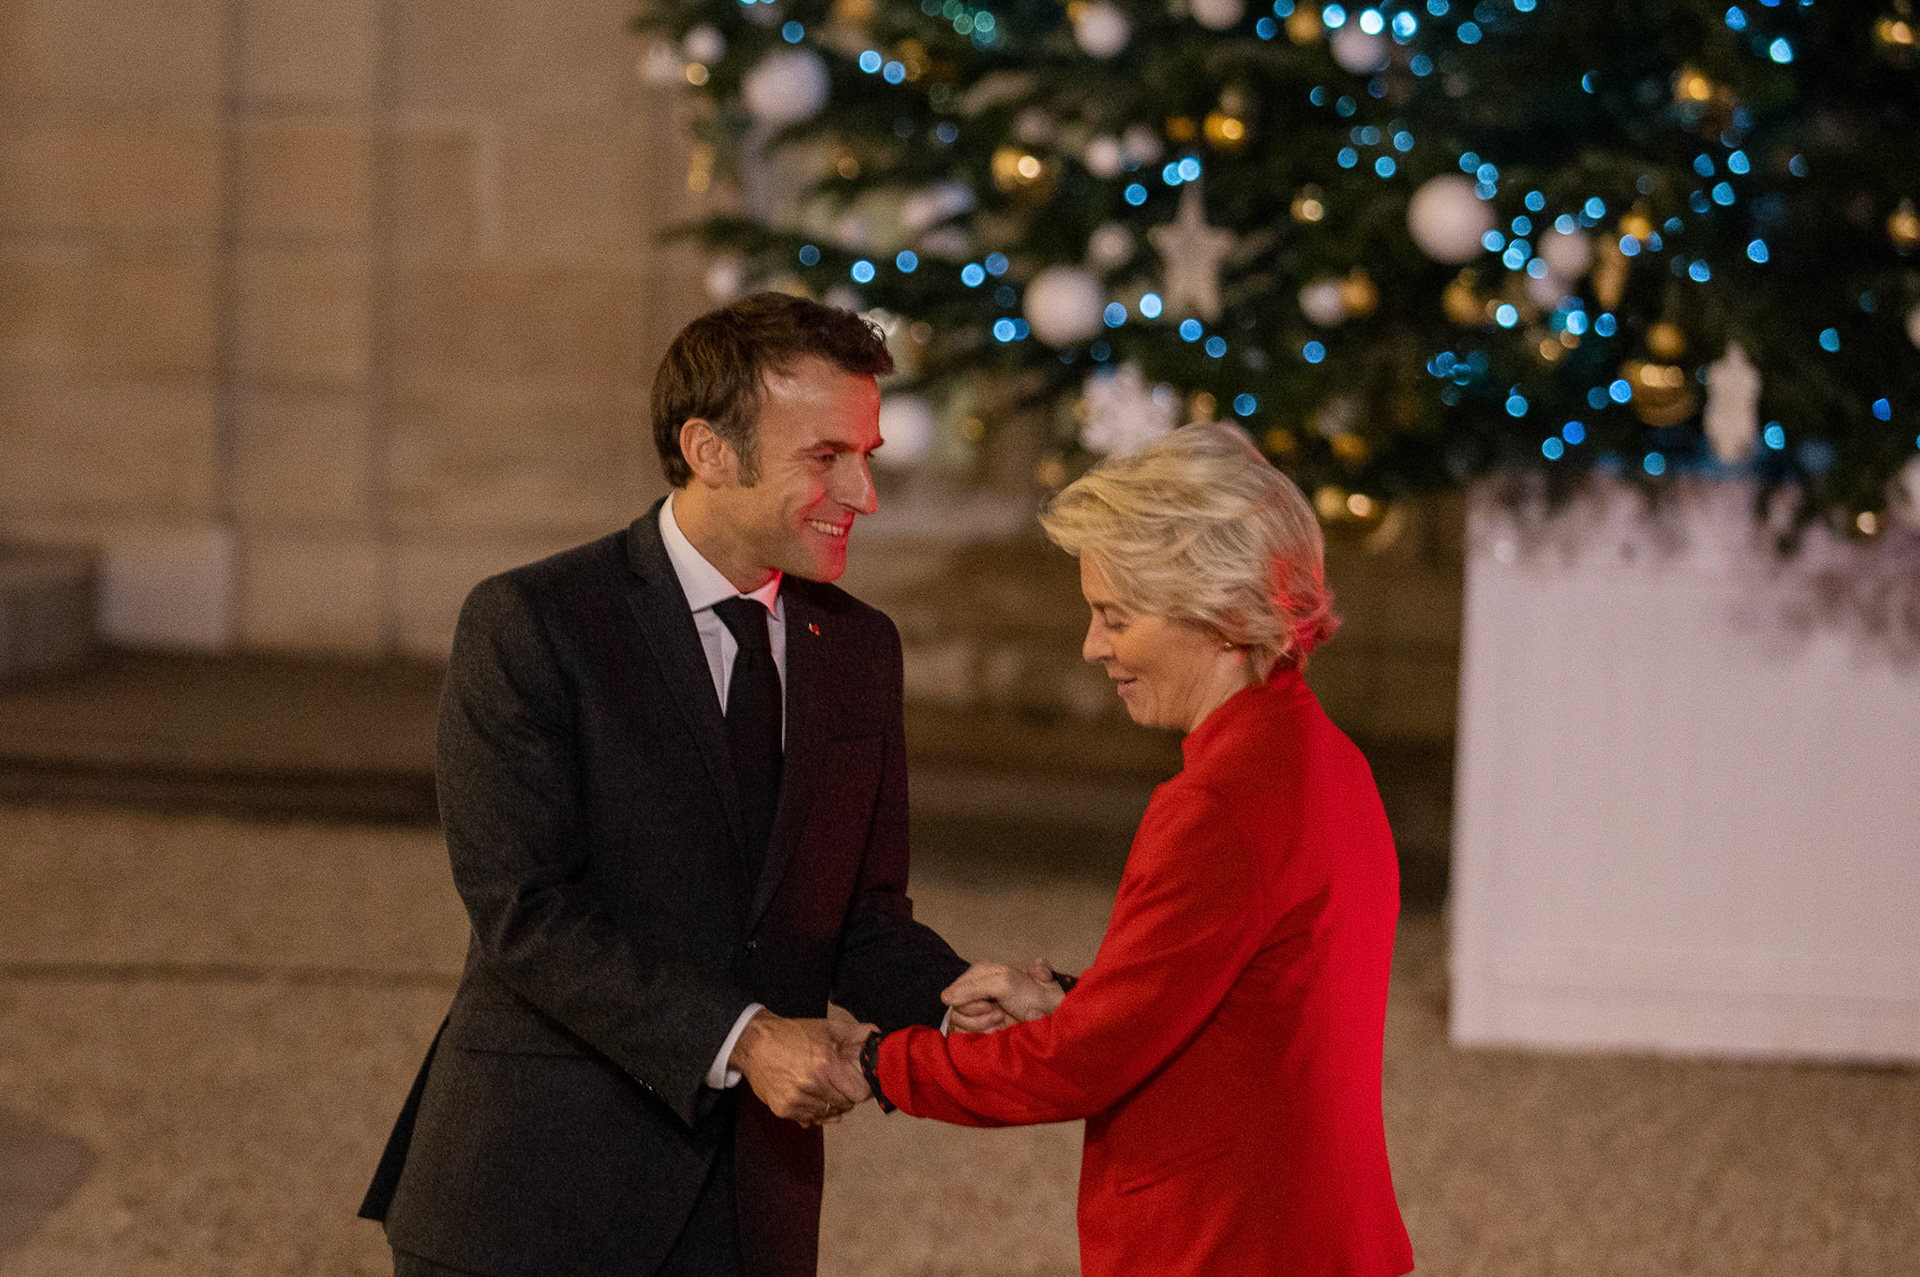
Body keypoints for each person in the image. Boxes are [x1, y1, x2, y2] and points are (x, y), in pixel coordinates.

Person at [358, 293, 999, 1277]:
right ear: (709, 450)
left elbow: (861, 916)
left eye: (867, 453)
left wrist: (959, 997)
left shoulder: (860, 648)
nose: (864, 493)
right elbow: (525, 910)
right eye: (827, 456)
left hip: (751, 1211)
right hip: (532, 1200)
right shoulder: (534, 623)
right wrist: (743, 1040)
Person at [850, 423, 1416, 1277]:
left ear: (1221, 615)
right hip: (1315, 1233)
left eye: (1115, 616)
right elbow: (1246, 1002)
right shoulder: (1327, 757)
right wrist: (1075, 1001)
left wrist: (877, 1064)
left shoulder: (1217, 804)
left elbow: (1077, 1067)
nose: (1091, 645)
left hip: (1229, 1245)